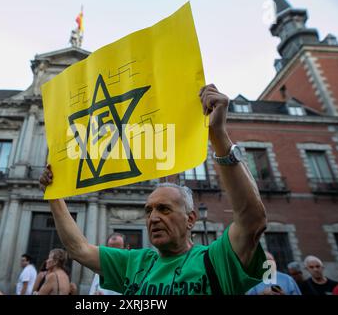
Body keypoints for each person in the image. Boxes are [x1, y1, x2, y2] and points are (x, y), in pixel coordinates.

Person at [39, 84, 268, 295]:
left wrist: (218, 134)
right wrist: (54, 195)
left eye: (164, 209)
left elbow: (253, 220)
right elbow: (78, 248)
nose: (154, 218)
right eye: (149, 211)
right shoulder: (134, 263)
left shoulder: (215, 260)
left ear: (191, 219)